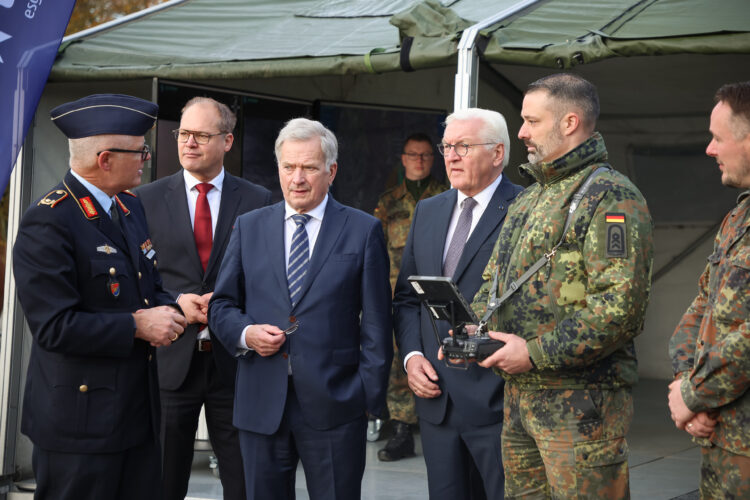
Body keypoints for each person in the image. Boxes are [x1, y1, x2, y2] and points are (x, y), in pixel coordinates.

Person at [471, 74, 654, 499]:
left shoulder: (611, 198)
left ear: (569, 122)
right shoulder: (530, 197)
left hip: (582, 407)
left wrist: (533, 354)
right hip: (520, 401)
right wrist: (473, 331)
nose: (521, 132)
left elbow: (618, 309)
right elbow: (494, 282)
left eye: (531, 121)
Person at [12, 94, 188, 500]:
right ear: (105, 159)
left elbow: (142, 290)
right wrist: (136, 326)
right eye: (140, 150)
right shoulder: (50, 220)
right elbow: (55, 328)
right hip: (80, 424)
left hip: (135, 414)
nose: (147, 157)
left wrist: (178, 305)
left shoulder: (128, 207)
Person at [208, 117, 392, 500]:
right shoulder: (249, 227)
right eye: (289, 167)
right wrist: (246, 333)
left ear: (331, 170)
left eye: (309, 167)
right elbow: (222, 305)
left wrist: (364, 397)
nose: (298, 178)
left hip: (336, 405)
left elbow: (376, 322)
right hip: (262, 402)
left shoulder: (362, 230)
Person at [137, 97, 271, 500]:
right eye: (183, 133)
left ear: (227, 141)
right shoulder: (144, 200)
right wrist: (179, 300)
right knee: (163, 480)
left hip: (234, 362)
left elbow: (265, 279)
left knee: (244, 481)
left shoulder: (258, 201)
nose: (189, 142)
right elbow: (139, 279)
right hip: (169, 361)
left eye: (201, 135)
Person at [393, 108, 522, 499]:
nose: (450, 156)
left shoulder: (526, 210)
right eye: (447, 146)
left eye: (463, 146)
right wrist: (412, 356)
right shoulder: (428, 212)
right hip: (437, 404)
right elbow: (406, 299)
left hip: (497, 405)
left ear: (497, 154)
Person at [668, 81, 750, 499]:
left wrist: (691, 393)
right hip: (722, 438)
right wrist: (687, 383)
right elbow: (703, 304)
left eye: (719, 138)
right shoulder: (739, 218)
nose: (710, 149)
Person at [373, 132, 447, 461]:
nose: (419, 161)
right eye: (412, 155)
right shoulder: (388, 202)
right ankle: (401, 429)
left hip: (438, 294)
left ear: (434, 160)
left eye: (425, 155)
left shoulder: (448, 196)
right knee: (398, 359)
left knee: (441, 353)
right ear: (403, 159)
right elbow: (376, 252)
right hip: (396, 294)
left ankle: (440, 423)